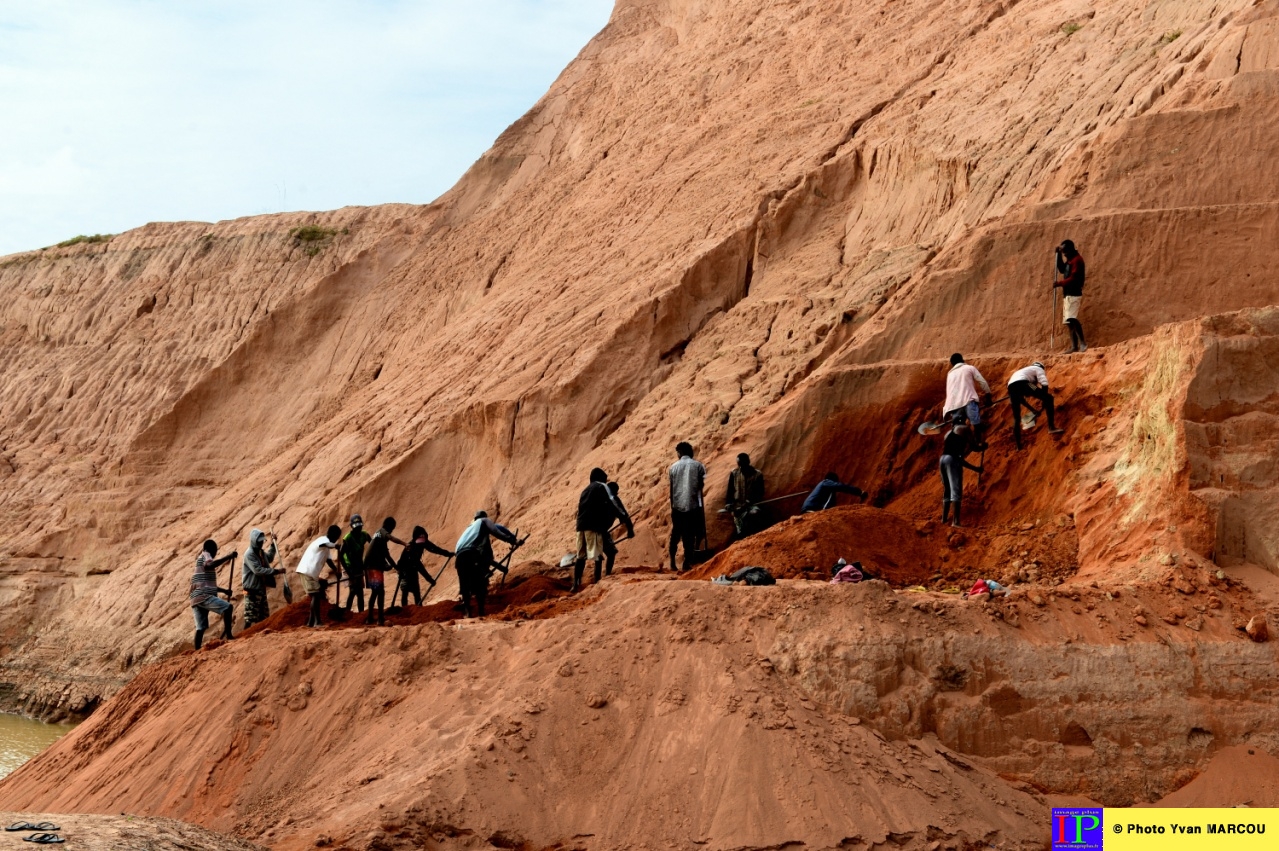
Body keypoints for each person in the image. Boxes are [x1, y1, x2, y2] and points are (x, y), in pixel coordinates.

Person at [455, 510, 519, 617]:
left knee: (465, 584)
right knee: (480, 583)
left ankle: (467, 612)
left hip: (459, 557)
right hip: (472, 553)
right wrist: (513, 540)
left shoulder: (469, 528)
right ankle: (481, 611)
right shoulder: (484, 521)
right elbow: (497, 530)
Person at [574, 468, 623, 592]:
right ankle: (600, 580)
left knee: (582, 556)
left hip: (585, 527)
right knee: (600, 556)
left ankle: (577, 583)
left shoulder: (587, 492)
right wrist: (625, 521)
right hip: (597, 529)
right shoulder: (606, 494)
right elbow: (617, 510)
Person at [190, 540, 237, 649]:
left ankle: (197, 650)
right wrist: (228, 557)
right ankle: (229, 636)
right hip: (203, 595)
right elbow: (210, 564)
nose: (215, 554)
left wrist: (224, 591)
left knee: (200, 628)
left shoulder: (199, 560)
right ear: (211, 549)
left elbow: (207, 585)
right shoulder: (206, 554)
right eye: (215, 551)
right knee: (228, 608)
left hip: (196, 597)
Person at [668, 441, 707, 573]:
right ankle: (686, 562)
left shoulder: (673, 467)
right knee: (689, 535)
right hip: (693, 505)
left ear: (679, 453)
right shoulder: (698, 466)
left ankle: (672, 562)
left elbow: (671, 489)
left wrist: (672, 505)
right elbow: (701, 485)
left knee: (675, 534)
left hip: (677, 506)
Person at [1007, 361, 1064, 449]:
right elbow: (1044, 383)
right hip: (1023, 383)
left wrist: (1033, 409)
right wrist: (1044, 398)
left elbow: (1021, 400)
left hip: (1011, 387)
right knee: (1049, 398)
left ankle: (1018, 446)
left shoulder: (1024, 371)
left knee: (1016, 418)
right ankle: (1051, 427)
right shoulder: (1038, 369)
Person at [940, 413, 984, 527]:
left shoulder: (947, 434)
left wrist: (976, 469)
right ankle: (955, 522)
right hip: (952, 460)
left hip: (943, 460)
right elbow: (973, 447)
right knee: (956, 490)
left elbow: (959, 458)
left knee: (947, 489)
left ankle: (944, 519)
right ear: (963, 421)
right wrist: (982, 447)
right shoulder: (964, 428)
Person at [296, 525, 342, 628]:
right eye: (336, 537)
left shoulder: (326, 548)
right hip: (307, 571)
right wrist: (335, 546)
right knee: (316, 596)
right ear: (332, 535)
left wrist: (336, 571)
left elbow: (329, 560)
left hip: (311, 573)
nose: (336, 540)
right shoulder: (322, 541)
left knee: (315, 596)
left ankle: (311, 622)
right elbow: (326, 544)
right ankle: (317, 622)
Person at [395, 526, 453, 607]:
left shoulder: (424, 542)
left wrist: (447, 553)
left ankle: (419, 609)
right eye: (420, 541)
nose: (421, 544)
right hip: (404, 569)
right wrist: (429, 579)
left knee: (416, 592)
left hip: (413, 569)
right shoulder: (410, 547)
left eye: (423, 540)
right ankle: (405, 611)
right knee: (405, 589)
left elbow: (435, 549)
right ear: (415, 539)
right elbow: (419, 566)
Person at [943, 353, 992, 446]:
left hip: (954, 406)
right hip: (969, 401)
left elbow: (949, 392)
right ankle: (978, 443)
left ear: (952, 364)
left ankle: (960, 447)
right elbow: (982, 382)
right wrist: (988, 396)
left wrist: (946, 411)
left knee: (958, 427)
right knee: (975, 423)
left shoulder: (950, 374)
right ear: (962, 360)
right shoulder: (969, 368)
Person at [363, 517, 404, 625]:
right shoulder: (382, 532)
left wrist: (395, 567)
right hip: (374, 567)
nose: (391, 531)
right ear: (389, 527)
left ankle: (369, 618)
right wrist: (404, 544)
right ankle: (380, 619)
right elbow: (392, 538)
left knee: (375, 592)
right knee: (380, 592)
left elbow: (388, 557)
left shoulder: (379, 538)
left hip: (369, 566)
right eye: (392, 529)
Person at [241, 529, 284, 629]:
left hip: (260, 589)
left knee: (263, 617)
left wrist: (273, 545)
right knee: (250, 618)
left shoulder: (260, 552)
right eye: (259, 541)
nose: (261, 543)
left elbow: (269, 558)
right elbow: (258, 570)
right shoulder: (249, 554)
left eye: (262, 541)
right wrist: (276, 571)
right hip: (251, 591)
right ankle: (243, 639)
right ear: (254, 541)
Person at [1054, 240, 1087, 353]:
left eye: (1065, 251)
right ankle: (1074, 346)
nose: (1064, 254)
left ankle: (1083, 343)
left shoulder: (1077, 260)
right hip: (1067, 293)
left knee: (1071, 318)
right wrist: (1058, 255)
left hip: (1074, 292)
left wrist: (1059, 283)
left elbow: (1074, 278)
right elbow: (1062, 269)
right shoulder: (1070, 259)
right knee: (1068, 322)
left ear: (1070, 249)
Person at [725, 453, 766, 538]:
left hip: (752, 505)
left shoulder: (757, 475)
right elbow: (730, 491)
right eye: (739, 464)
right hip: (738, 507)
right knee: (740, 530)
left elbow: (759, 493)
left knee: (754, 514)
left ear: (748, 462)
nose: (741, 467)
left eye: (743, 464)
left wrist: (748, 503)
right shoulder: (734, 473)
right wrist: (729, 504)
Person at [339, 514, 372, 614]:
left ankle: (361, 614)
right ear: (352, 527)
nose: (358, 529)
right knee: (353, 590)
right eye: (356, 527)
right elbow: (340, 556)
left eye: (360, 526)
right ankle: (348, 613)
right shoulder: (348, 538)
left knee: (360, 592)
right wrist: (348, 571)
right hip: (349, 566)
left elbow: (373, 544)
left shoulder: (364, 535)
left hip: (358, 565)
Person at [602, 481, 635, 578]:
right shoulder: (613, 499)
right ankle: (606, 575)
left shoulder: (599, 498)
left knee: (596, 556)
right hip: (601, 530)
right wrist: (630, 530)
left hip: (588, 529)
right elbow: (624, 515)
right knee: (611, 553)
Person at [801, 472, 867, 512]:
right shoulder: (826, 482)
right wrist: (859, 492)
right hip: (811, 509)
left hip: (807, 509)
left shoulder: (822, 485)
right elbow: (842, 487)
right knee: (832, 491)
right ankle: (826, 512)